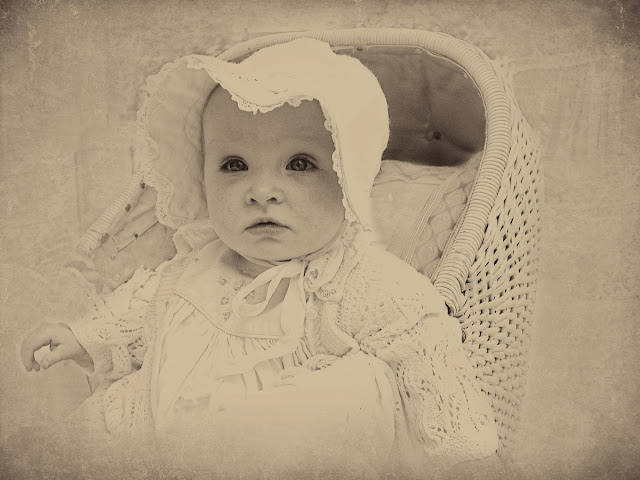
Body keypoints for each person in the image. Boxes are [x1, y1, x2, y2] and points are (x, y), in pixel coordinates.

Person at [19, 38, 499, 478]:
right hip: (163, 422)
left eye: (299, 164)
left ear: (349, 178)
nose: (262, 191)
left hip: (278, 450)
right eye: (234, 165)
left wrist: (464, 454)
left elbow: (427, 357)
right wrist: (83, 338)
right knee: (93, 430)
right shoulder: (193, 265)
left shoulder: (363, 280)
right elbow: (141, 314)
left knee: (362, 391)